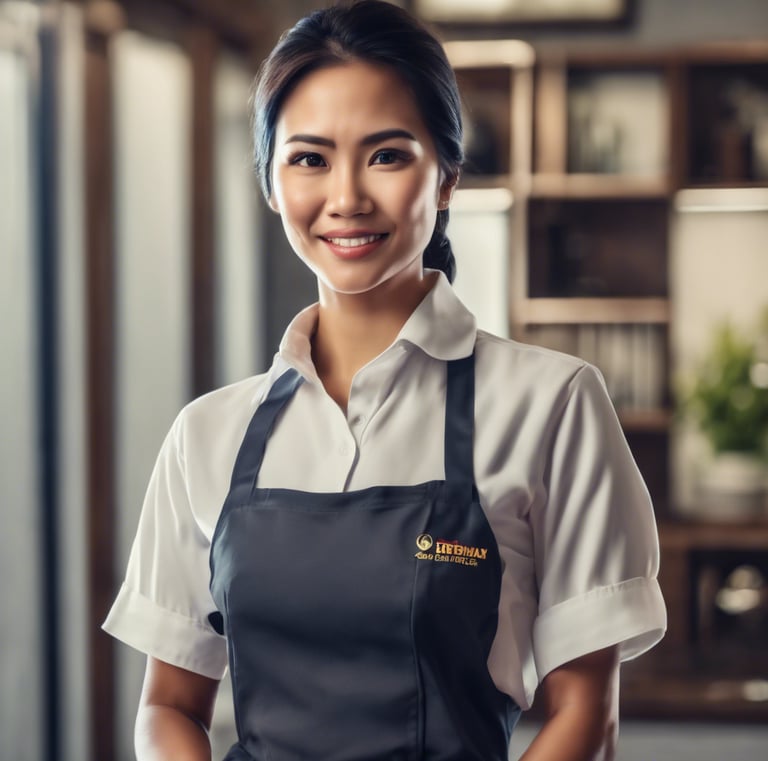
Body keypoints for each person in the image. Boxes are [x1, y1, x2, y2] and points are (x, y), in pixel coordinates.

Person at [103, 2, 667, 759]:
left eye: (386, 154)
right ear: (271, 184)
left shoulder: (552, 404)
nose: (346, 197)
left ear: (446, 177)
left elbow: (584, 714)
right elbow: (168, 706)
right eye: (309, 158)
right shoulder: (207, 434)